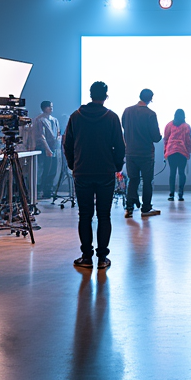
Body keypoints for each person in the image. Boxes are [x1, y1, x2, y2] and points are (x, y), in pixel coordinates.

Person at [64, 81, 125, 270]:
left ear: (90, 95)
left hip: (82, 172)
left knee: (85, 216)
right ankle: (102, 258)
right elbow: (120, 146)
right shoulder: (112, 117)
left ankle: (86, 257)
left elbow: (67, 145)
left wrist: (73, 165)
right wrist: (116, 166)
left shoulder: (76, 116)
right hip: (105, 172)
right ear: (105, 96)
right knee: (104, 216)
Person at [121, 89, 162, 217]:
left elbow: (124, 127)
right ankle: (146, 208)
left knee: (133, 180)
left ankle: (129, 208)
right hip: (146, 154)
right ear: (150, 99)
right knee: (147, 181)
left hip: (130, 152)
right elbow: (156, 137)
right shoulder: (151, 114)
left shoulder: (127, 111)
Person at [163, 109, 191, 201]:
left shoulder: (169, 125)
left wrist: (165, 152)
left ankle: (171, 194)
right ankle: (180, 194)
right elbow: (189, 140)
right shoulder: (186, 126)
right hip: (182, 152)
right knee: (181, 173)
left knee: (172, 173)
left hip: (171, 151)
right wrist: (189, 151)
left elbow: (166, 139)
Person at [33, 100, 60, 199]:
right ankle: (41, 190)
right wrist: (47, 149)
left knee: (53, 169)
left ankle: (49, 190)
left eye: (52, 107)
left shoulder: (54, 120)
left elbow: (57, 133)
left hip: (54, 148)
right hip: (45, 148)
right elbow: (41, 136)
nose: (51, 109)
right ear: (44, 108)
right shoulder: (40, 120)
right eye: (49, 107)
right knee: (45, 169)